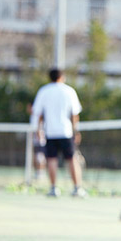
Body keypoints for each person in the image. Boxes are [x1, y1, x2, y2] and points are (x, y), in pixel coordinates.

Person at [31, 68, 86, 197]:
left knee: (52, 159)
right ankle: (77, 188)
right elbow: (74, 114)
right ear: (62, 77)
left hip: (50, 132)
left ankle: (53, 188)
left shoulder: (43, 91)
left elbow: (38, 114)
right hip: (66, 132)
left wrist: (38, 129)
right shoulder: (69, 91)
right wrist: (76, 131)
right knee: (71, 159)